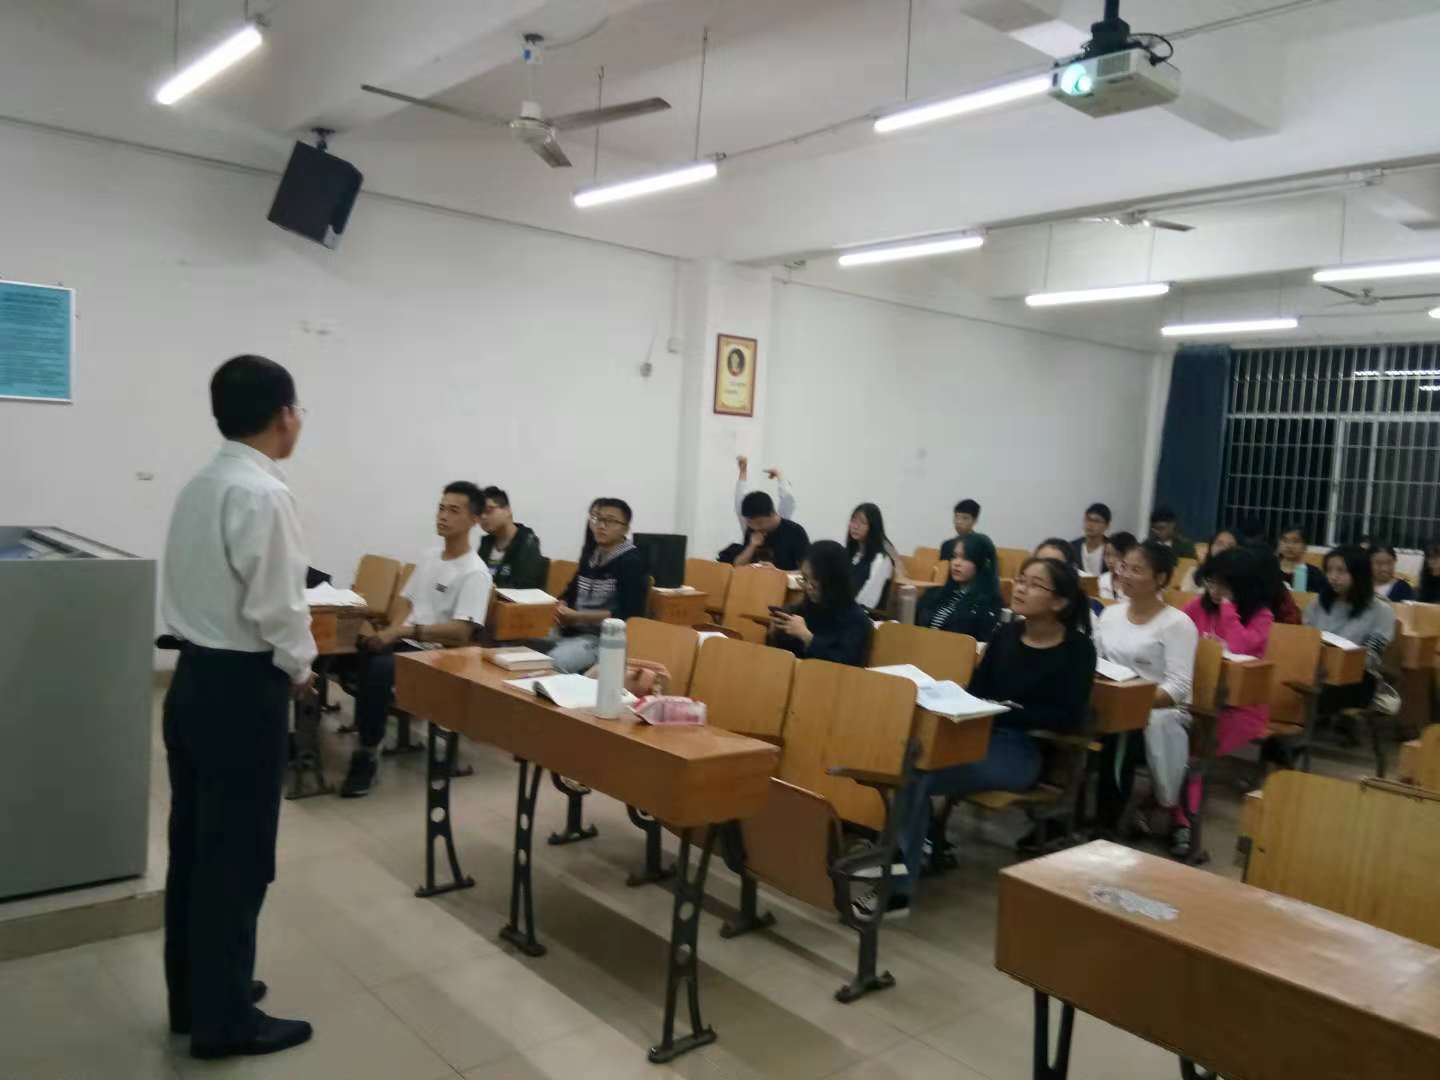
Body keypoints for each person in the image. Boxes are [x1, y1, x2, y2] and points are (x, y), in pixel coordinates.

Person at [160, 355, 315, 1059]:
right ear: (283, 415)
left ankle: (195, 996)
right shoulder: (262, 493)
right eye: (298, 410)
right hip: (241, 691)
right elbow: (279, 607)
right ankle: (225, 1022)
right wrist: (302, 668)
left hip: (193, 679)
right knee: (238, 857)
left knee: (195, 847)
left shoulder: (202, 483)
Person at [876, 557, 1096, 915]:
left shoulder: (1078, 649)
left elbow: (1069, 715)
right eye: (1021, 580)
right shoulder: (1006, 634)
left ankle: (898, 884)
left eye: (1034, 584)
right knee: (906, 759)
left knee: (917, 773)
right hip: (979, 733)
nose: (1020, 588)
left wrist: (1010, 710)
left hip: (1021, 751)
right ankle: (909, 854)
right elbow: (978, 690)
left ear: (1059, 601)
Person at [341, 483, 494, 798]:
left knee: (378, 669)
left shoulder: (475, 573)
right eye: (441, 508)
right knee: (346, 651)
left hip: (436, 654)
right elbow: (406, 601)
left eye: (454, 510)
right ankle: (305, 739)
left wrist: (401, 633)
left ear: (475, 520)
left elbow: (461, 632)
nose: (443, 516)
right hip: (405, 642)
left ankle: (367, 753)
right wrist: (391, 631)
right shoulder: (429, 557)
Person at [1095, 540, 1199, 840]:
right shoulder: (1111, 615)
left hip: (1159, 713)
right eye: (1124, 567)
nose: (1124, 574)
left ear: (1160, 578)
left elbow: (1178, 687)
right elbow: (1096, 662)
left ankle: (1106, 826)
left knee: (1122, 734)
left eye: (1136, 570)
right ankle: (1060, 816)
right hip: (1109, 702)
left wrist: (1132, 702)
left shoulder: (1177, 624)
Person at [1178, 546, 1274, 857]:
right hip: (1199, 699)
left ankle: (1183, 824)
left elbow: (1241, 646)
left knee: (1194, 750)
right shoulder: (1198, 606)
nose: (1215, 590)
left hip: (1242, 707)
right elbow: (1176, 633)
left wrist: (1229, 609)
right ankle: (1167, 807)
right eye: (1211, 582)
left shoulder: (1261, 616)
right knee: (1174, 741)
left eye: (1224, 585)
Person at [546, 498, 649, 673]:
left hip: (604, 639)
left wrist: (578, 617)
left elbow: (628, 615)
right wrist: (562, 604)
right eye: (597, 519)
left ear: (625, 528)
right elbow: (570, 591)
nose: (601, 526)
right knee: (520, 644)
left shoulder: (632, 561)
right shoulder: (591, 555)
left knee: (555, 662)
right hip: (572, 630)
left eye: (610, 521)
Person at [1304, 545, 1397, 717]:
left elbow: (1371, 657)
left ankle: (1312, 726)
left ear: (1359, 573)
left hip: (1357, 678)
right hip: (1316, 670)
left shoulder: (1381, 610)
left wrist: (1339, 659)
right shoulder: (1317, 604)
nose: (1333, 577)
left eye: (1341, 571)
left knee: (1321, 692)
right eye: (1329, 570)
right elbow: (1305, 642)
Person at [768, 540, 873, 665]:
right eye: (805, 579)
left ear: (833, 581)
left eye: (814, 581)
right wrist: (777, 633)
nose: (808, 587)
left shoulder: (856, 620)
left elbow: (845, 663)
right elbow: (788, 653)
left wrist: (807, 637)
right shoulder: (805, 608)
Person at [915, 534, 1003, 643]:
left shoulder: (988, 604)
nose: (956, 563)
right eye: (954, 556)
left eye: (965, 558)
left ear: (982, 563)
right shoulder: (936, 592)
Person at [728, 456, 809, 570]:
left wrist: (776, 573)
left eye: (760, 523)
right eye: (750, 523)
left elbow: (804, 574)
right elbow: (737, 567)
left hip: (782, 581)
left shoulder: (795, 532)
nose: (756, 528)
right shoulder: (752, 530)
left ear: (772, 514)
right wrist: (752, 546)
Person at [477, 487, 546, 589]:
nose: (483, 517)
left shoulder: (527, 543)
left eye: (488, 510)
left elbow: (523, 587)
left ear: (507, 510)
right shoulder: (486, 543)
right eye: (479, 514)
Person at [845, 503, 897, 612]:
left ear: (873, 527)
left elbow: (868, 600)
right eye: (853, 520)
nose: (855, 526)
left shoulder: (881, 559)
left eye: (862, 522)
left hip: (863, 614)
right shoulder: (851, 553)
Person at [940, 498, 993, 565]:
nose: (959, 522)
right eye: (956, 517)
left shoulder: (982, 545)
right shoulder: (947, 545)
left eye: (965, 518)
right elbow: (943, 570)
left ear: (974, 520)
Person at [1278, 525, 1322, 593]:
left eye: (1295, 541)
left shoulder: (1314, 574)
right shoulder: (1270, 569)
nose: (1289, 546)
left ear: (1305, 546)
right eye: (1285, 541)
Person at [1071, 503, 1111, 577]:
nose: (1090, 524)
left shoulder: (1112, 549)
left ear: (1107, 525)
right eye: (1088, 519)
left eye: (1096, 521)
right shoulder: (1072, 547)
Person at [1098, 531, 1137, 601]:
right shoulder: (1102, 579)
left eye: (1117, 555)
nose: (1110, 561)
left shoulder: (1137, 586)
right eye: (1107, 554)